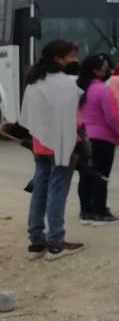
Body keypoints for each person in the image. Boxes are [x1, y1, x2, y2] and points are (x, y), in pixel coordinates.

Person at [21, 39, 86, 260]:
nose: (75, 60)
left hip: (40, 145)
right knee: (57, 192)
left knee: (39, 191)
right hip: (62, 146)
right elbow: (69, 118)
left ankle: (36, 242)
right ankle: (56, 241)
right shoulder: (65, 84)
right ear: (59, 59)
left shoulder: (34, 80)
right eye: (71, 56)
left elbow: (29, 116)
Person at [76, 53, 119, 226]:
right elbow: (111, 117)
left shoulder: (81, 88)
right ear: (96, 71)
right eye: (104, 66)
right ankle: (100, 212)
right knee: (102, 175)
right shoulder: (103, 89)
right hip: (103, 138)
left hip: (84, 137)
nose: (107, 69)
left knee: (87, 175)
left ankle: (86, 211)